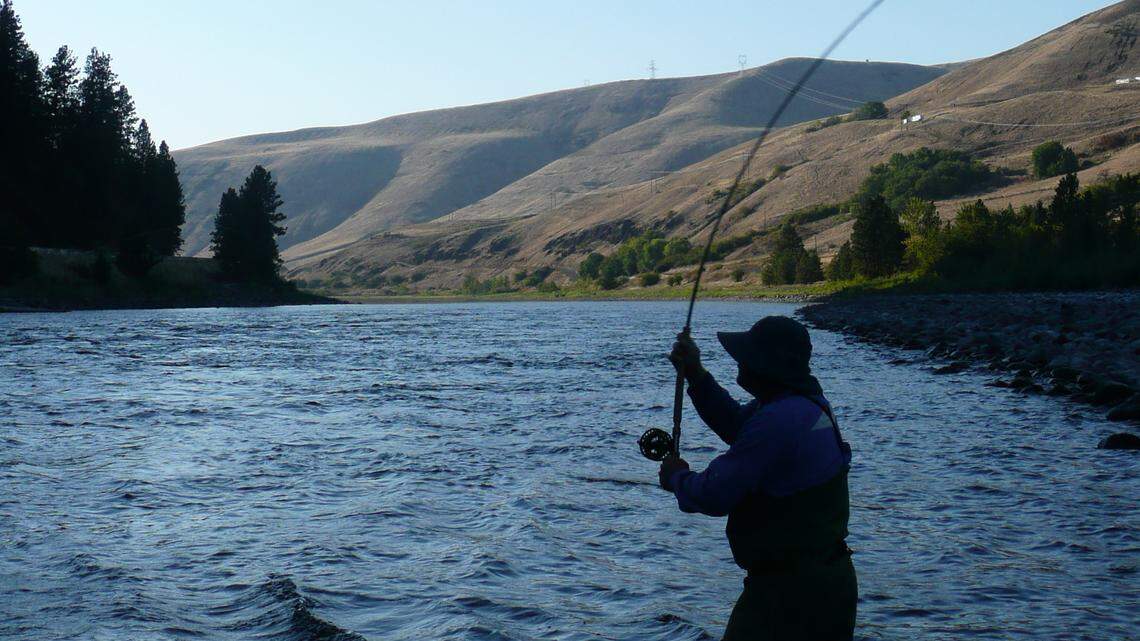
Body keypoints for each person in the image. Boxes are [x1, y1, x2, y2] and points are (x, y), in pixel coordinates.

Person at [660, 315, 856, 641]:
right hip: (823, 585)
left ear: (766, 364)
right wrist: (695, 373)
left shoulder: (780, 419)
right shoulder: (801, 405)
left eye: (748, 353)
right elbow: (737, 426)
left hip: (790, 597)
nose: (739, 359)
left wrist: (677, 477)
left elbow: (715, 493)